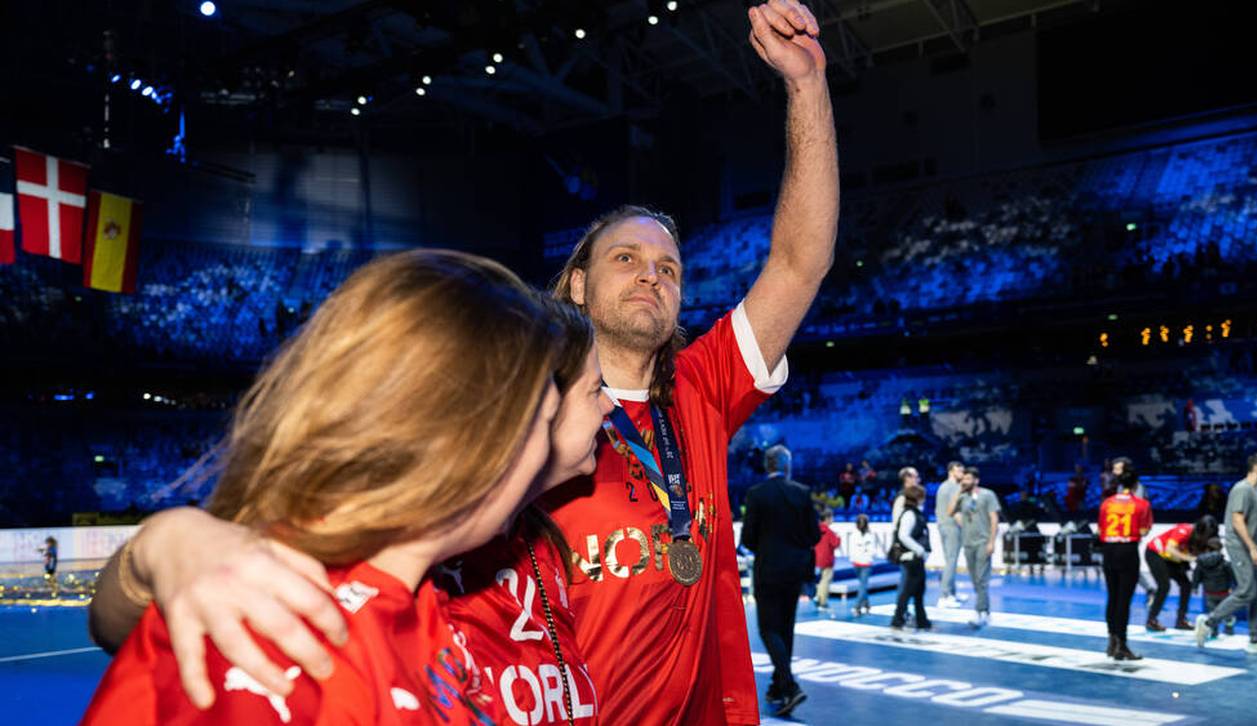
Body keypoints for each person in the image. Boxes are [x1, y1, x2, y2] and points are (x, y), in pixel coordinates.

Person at [85, 3, 838, 724]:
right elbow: (179, 605)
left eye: (671, 268)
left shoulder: (696, 393)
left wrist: (806, 85)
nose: (653, 275)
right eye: (626, 257)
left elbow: (799, 264)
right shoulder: (483, 438)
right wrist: (167, 545)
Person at [83, 250, 572, 724]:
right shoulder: (278, 641)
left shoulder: (408, 597)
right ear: (472, 438)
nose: (543, 456)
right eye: (544, 422)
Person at [436, 298, 614, 726]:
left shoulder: (540, 541)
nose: (609, 405)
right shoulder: (423, 561)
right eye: (594, 389)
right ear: (535, 404)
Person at [741, 445, 820, 717]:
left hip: (769, 570)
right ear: (787, 466)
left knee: (767, 629)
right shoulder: (802, 492)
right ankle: (777, 685)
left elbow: (748, 540)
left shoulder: (757, 494)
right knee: (785, 628)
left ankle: (789, 684)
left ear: (767, 466)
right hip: (795, 571)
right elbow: (814, 536)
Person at [1195, 453, 1257, 655]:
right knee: (1247, 591)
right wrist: (1252, 548)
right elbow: (1237, 521)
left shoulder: (1256, 492)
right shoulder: (1242, 489)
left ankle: (1255, 640)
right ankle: (1209, 622)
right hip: (1241, 547)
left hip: (1255, 546)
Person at [1098, 459, 1153, 661]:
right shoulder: (1142, 504)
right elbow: (1144, 530)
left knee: (1112, 598)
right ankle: (1122, 644)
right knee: (1123, 600)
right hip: (1128, 551)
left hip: (1109, 550)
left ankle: (1112, 641)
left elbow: (1101, 530)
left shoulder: (1107, 503)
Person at [1143, 516, 1215, 631]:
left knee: (1186, 585)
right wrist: (1188, 558)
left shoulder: (1203, 540)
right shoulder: (1184, 530)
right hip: (1155, 554)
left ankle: (1181, 620)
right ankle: (1151, 620)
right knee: (1164, 586)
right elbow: (1169, 549)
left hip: (1173, 559)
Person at [951, 467, 999, 627]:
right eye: (963, 479)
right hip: (968, 542)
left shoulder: (988, 495)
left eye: (968, 479)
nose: (965, 481)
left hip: (983, 542)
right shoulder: (963, 496)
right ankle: (985, 609)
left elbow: (994, 519)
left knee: (981, 578)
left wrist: (992, 541)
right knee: (974, 578)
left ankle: (980, 612)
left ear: (976, 480)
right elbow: (950, 511)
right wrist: (959, 491)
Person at [891, 482, 932, 631]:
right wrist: (919, 550)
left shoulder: (915, 513)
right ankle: (898, 619)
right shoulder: (909, 514)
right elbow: (903, 535)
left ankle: (922, 621)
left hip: (915, 557)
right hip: (911, 557)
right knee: (908, 590)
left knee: (918, 591)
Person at [934, 461, 966, 608]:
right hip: (951, 526)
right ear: (951, 471)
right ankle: (944, 595)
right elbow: (954, 511)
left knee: (950, 560)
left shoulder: (943, 486)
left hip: (944, 525)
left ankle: (951, 593)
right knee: (951, 561)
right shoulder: (953, 487)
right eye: (959, 471)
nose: (962, 474)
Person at [1192, 537, 1236, 638]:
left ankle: (1214, 631)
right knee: (1227, 611)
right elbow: (1233, 576)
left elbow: (1196, 575)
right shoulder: (1225, 564)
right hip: (1224, 592)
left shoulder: (1201, 563)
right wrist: (1235, 587)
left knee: (1212, 613)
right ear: (1220, 548)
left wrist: (1195, 587)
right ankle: (1229, 630)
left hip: (1209, 593)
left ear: (1207, 548)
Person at [849, 514, 877, 616]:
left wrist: (868, 557)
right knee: (863, 585)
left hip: (866, 563)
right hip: (857, 563)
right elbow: (852, 550)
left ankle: (857, 607)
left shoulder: (870, 536)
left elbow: (873, 550)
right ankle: (867, 605)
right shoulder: (854, 535)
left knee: (862, 585)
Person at [814, 509, 841, 611]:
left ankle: (818, 596)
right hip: (827, 559)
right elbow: (835, 544)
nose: (833, 519)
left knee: (822, 579)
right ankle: (822, 602)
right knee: (826, 580)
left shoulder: (816, 529)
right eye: (832, 517)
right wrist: (838, 538)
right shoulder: (829, 532)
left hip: (818, 559)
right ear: (827, 518)